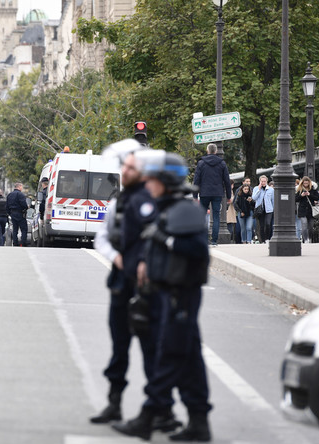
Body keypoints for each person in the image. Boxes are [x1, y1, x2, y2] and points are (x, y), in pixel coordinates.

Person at [91, 140, 181, 434]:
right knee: (119, 348)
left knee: (151, 349)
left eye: (129, 167)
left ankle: (161, 410)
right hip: (121, 284)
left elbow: (155, 237)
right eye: (124, 166)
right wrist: (116, 257)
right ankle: (114, 402)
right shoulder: (118, 202)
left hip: (147, 288)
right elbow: (101, 238)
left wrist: (143, 261)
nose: (123, 171)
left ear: (142, 172)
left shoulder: (150, 199)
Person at [131, 150, 212, 442]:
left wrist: (164, 239)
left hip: (181, 295)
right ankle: (198, 421)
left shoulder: (185, 210)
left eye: (152, 180)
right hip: (169, 294)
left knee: (170, 354)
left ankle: (149, 414)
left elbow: (197, 252)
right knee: (188, 358)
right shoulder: (168, 208)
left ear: (165, 182)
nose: (148, 185)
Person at [192, 143, 232, 246]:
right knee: (216, 217)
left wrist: (195, 196)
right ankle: (214, 241)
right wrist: (228, 196)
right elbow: (227, 181)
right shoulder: (222, 163)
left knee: (203, 215)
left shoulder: (201, 163)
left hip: (204, 192)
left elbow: (196, 180)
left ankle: (204, 239)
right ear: (215, 151)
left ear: (207, 151)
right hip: (217, 193)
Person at [295, 176, 319, 244]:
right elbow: (295, 199)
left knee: (311, 226)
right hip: (302, 210)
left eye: (307, 183)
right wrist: (301, 195)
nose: (305, 184)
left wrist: (310, 195)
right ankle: (305, 239)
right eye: (304, 183)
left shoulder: (313, 189)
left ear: (309, 183)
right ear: (302, 183)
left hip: (311, 210)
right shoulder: (300, 189)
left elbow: (317, 198)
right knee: (304, 224)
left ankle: (310, 238)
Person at [252, 175, 274, 243]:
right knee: (261, 225)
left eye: (264, 181)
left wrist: (273, 209)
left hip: (269, 209)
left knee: (268, 224)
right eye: (262, 181)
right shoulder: (256, 188)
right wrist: (259, 189)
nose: (263, 183)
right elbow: (254, 198)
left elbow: (273, 200)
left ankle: (267, 238)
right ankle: (263, 240)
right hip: (260, 210)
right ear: (260, 182)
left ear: (267, 181)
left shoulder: (271, 189)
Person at [6, 182, 29, 246]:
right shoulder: (20, 195)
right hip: (20, 213)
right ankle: (23, 242)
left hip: (13, 214)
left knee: (15, 229)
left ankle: (15, 243)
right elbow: (24, 204)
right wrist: (27, 207)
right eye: (21, 187)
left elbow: (7, 206)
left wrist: (10, 213)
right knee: (24, 229)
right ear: (19, 187)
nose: (22, 188)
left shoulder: (9, 195)